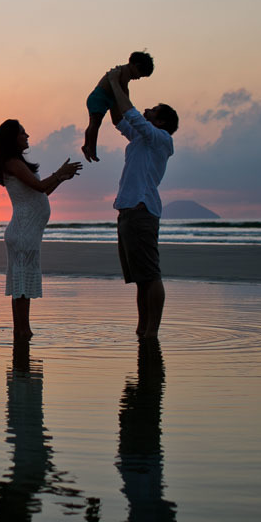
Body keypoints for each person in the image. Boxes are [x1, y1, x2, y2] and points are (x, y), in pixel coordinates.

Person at [105, 67, 179, 344]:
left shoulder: (161, 139)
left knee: (150, 274)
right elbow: (119, 118)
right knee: (140, 277)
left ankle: (152, 330)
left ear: (160, 122)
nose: (147, 110)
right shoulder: (141, 137)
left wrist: (115, 82)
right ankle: (142, 328)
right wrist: (120, 85)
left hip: (141, 209)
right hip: (127, 210)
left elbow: (132, 114)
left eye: (153, 110)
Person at [0, 119, 83, 344]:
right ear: (12, 138)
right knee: (21, 287)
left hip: (26, 233)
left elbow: (40, 194)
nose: (28, 136)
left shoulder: (16, 163)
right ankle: (22, 332)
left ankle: (23, 330)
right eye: (23, 133)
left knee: (21, 286)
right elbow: (41, 187)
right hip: (23, 233)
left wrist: (61, 178)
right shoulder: (12, 162)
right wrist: (59, 171)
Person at [81, 52, 155, 163]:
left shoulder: (123, 73)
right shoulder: (124, 72)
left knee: (94, 123)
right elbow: (124, 90)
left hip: (106, 99)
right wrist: (128, 105)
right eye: (140, 74)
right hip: (99, 98)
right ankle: (91, 148)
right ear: (136, 66)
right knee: (95, 124)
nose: (139, 78)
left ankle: (87, 145)